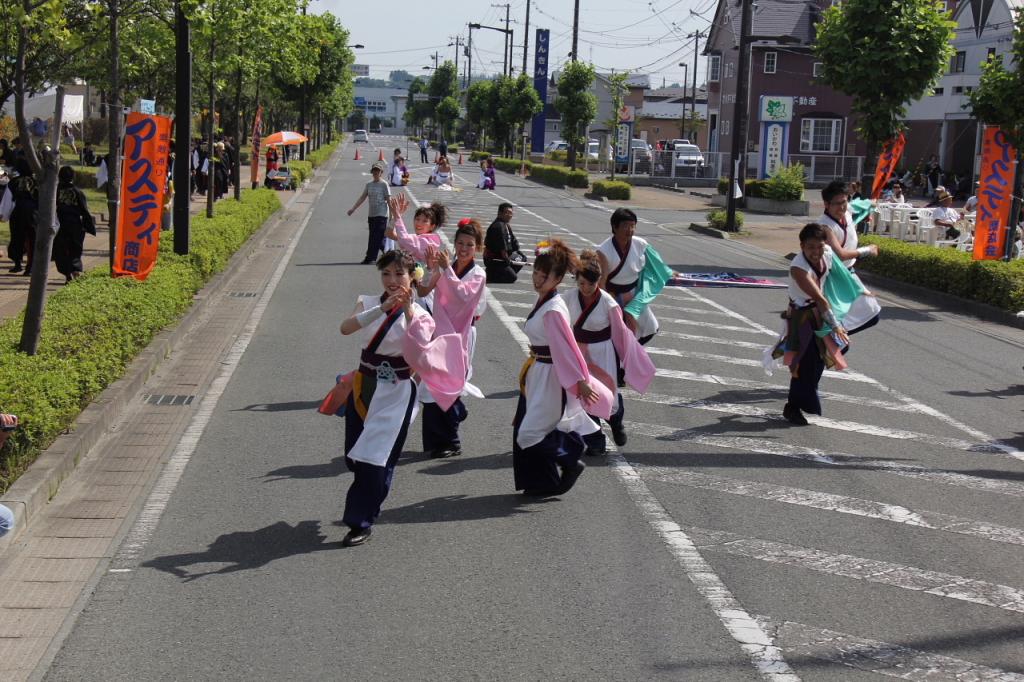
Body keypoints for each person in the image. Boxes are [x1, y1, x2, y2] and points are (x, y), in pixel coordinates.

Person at [337, 249, 465, 546]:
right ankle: (370, 500)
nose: (392, 280)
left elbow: (421, 352)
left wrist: (407, 310)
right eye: (386, 274)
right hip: (363, 386)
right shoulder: (367, 302)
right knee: (354, 456)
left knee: (375, 458)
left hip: (395, 392)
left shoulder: (421, 314)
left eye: (399, 274)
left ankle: (361, 521)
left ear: (412, 277)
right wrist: (381, 309)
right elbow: (345, 328)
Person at [513, 239, 612, 496]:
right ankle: (542, 481)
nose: (538, 279)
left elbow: (566, 348)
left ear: (557, 278)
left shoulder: (553, 309)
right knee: (534, 430)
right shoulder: (547, 302)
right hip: (539, 371)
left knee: (528, 434)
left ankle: (570, 454)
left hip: (550, 376)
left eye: (545, 276)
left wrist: (580, 380)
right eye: (536, 272)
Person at [565, 250, 655, 456]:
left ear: (598, 281)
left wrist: (628, 357)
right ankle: (595, 440)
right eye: (580, 283)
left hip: (603, 350)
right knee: (583, 392)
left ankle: (616, 420)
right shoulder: (569, 297)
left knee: (607, 391)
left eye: (589, 284)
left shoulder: (608, 302)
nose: (585, 288)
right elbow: (558, 319)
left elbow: (620, 332)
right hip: (579, 350)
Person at [415, 218, 488, 457]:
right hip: (439, 333)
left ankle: (452, 440)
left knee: (449, 386)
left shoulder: (478, 274)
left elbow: (463, 296)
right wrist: (430, 268)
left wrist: (446, 269)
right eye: (460, 243)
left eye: (469, 244)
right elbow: (424, 290)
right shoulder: (448, 264)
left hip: (461, 336)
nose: (464, 248)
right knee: (432, 385)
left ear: (476, 247)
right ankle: (438, 439)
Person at [596, 208, 673, 344]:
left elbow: (657, 263)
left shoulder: (640, 244)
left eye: (633, 226)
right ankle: (622, 360)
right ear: (615, 226)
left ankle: (632, 354)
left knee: (651, 327)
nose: (630, 230)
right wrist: (607, 302)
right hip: (613, 295)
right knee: (617, 334)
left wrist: (670, 273)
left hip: (634, 293)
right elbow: (602, 282)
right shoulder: (604, 250)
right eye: (626, 226)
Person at [52, 165, 95, 282]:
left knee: (61, 250)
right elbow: (84, 210)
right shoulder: (77, 192)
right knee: (75, 249)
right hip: (75, 224)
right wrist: (88, 225)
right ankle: (75, 269)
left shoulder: (54, 192)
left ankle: (67, 274)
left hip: (59, 224)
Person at [348, 160, 391, 264]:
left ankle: (370, 258)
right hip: (372, 214)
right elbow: (362, 197)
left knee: (375, 237)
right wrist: (353, 209)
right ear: (372, 172)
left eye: (378, 171)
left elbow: (389, 200)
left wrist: (393, 216)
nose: (376, 173)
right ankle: (390, 254)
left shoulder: (384, 185)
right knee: (378, 237)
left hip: (382, 214)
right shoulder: (369, 185)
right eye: (374, 171)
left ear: (381, 172)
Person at [0, 159, 38, 275]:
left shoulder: (13, 182)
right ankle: (30, 268)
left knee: (17, 239)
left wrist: (3, 215)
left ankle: (17, 264)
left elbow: (8, 200)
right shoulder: (37, 182)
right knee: (32, 240)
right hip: (34, 214)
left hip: (18, 213)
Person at [483, 203, 522, 284]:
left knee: (521, 258)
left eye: (511, 213)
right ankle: (490, 274)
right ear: (499, 213)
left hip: (503, 257)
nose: (509, 215)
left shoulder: (506, 225)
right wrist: (507, 260)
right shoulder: (498, 226)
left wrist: (517, 252)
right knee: (512, 278)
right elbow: (502, 248)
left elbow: (513, 242)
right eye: (507, 212)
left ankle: (504, 271)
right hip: (494, 259)